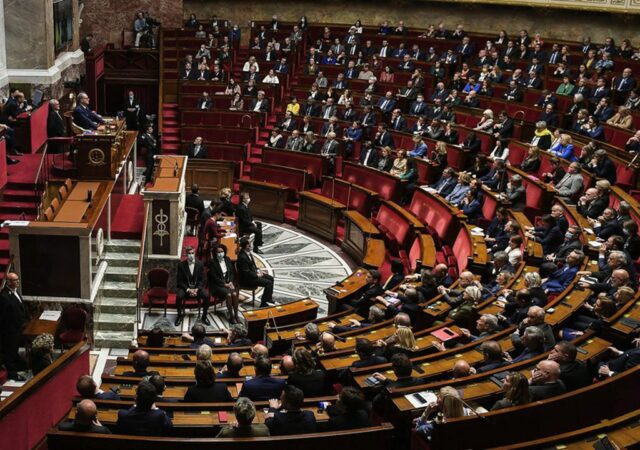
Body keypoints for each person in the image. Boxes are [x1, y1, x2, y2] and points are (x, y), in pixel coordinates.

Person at [0, 272, 29, 380]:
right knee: (10, 353)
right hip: (11, 331)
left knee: (15, 350)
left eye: (18, 279)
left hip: (19, 327)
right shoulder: (4, 296)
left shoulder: (16, 291)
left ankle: (18, 366)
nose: (18, 282)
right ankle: (12, 374)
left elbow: (21, 307)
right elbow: (3, 317)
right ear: (8, 282)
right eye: (15, 280)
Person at [175, 246, 209, 327]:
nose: (191, 255)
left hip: (197, 288)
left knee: (207, 296)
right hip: (185, 288)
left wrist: (197, 289)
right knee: (179, 296)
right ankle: (179, 316)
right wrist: (188, 290)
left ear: (195, 254)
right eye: (189, 253)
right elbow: (180, 281)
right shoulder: (181, 265)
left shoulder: (200, 264)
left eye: (192, 253)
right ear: (186, 254)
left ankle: (204, 317)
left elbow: (202, 280)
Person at [237, 236, 274, 307]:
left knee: (270, 278)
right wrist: (257, 275)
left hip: (252, 275)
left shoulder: (248, 253)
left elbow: (253, 265)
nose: (251, 245)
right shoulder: (242, 257)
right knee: (268, 283)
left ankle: (268, 298)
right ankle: (263, 303)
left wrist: (258, 271)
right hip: (247, 280)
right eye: (249, 244)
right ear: (246, 246)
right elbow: (246, 273)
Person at [209, 244, 240, 323]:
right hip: (217, 286)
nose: (220, 253)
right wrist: (224, 284)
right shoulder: (212, 262)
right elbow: (214, 277)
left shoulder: (227, 259)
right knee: (229, 295)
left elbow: (231, 273)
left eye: (222, 251)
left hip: (228, 283)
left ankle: (236, 315)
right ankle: (231, 316)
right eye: (218, 252)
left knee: (235, 294)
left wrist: (231, 282)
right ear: (215, 253)